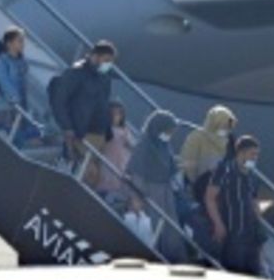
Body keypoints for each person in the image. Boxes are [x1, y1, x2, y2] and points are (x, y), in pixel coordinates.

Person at [50, 41, 116, 182]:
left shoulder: (104, 77)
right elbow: (59, 101)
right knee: (85, 174)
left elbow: (104, 102)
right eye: (106, 60)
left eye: (110, 61)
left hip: (99, 132)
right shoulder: (75, 73)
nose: (108, 64)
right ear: (95, 56)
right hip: (80, 133)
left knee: (94, 177)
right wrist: (67, 127)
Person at [126, 110, 186, 261]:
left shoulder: (164, 145)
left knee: (170, 230)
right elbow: (136, 174)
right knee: (154, 227)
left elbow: (170, 166)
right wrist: (136, 197)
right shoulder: (144, 146)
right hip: (149, 193)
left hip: (165, 192)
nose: (170, 134)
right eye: (168, 130)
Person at [206, 135, 264, 276]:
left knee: (255, 273)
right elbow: (210, 198)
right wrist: (218, 224)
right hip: (232, 232)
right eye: (252, 154)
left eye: (257, 155)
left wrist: (259, 224)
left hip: (250, 232)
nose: (255, 158)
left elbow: (254, 201)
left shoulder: (252, 175)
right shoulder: (224, 171)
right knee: (235, 273)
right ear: (241, 152)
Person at [180, 104, 237, 193]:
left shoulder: (230, 141)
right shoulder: (196, 138)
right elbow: (188, 163)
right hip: (200, 186)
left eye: (228, 127)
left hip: (223, 187)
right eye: (224, 125)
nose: (226, 129)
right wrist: (194, 183)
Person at [0, 27, 30, 126]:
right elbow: (3, 81)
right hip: (6, 107)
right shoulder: (3, 61)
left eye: (23, 41)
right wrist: (14, 98)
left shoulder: (22, 61)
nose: (23, 44)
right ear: (9, 44)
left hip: (19, 105)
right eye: (19, 41)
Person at [97, 102, 135, 197]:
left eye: (119, 114)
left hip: (122, 162)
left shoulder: (125, 130)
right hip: (108, 161)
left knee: (120, 184)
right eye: (113, 114)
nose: (116, 117)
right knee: (106, 184)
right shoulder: (104, 130)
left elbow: (132, 145)